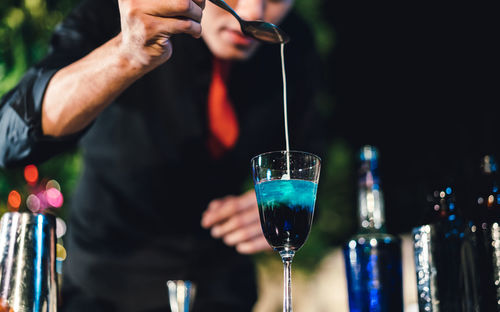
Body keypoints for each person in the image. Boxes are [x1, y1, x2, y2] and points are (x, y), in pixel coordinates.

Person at [0, 0, 325, 311]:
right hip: (105, 290)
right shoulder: (113, 10)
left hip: (222, 292)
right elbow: (9, 136)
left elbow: (308, 159)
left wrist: (283, 204)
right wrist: (125, 55)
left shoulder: (293, 42)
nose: (255, 10)